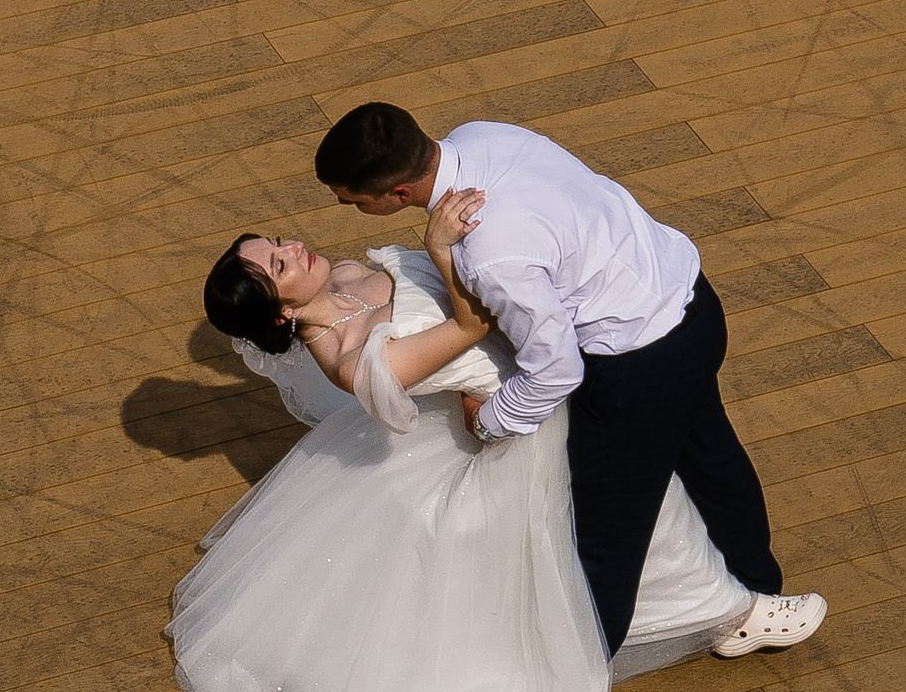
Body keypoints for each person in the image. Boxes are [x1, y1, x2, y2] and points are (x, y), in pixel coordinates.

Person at [173, 189, 757, 692]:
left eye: (278, 243)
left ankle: (723, 597)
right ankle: (728, 609)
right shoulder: (350, 360)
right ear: (283, 312)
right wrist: (439, 246)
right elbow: (470, 327)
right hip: (517, 423)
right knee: (618, 514)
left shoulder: (343, 275)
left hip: (519, 388)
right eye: (280, 264)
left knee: (642, 494)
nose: (294, 247)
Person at [315, 102, 824, 660]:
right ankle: (755, 591)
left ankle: (575, 681)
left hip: (638, 369)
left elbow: (557, 370)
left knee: (607, 539)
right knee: (712, 457)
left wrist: (489, 423)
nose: (349, 208)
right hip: (691, 304)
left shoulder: (490, 252)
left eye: (354, 201)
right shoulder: (485, 134)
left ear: (399, 193)